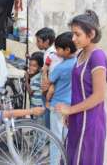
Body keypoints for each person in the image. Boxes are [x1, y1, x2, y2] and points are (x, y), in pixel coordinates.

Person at [55, 10, 107, 165]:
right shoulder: (80, 54)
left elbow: (99, 95)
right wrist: (71, 113)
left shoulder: (97, 57)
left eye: (77, 34)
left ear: (91, 34)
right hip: (78, 117)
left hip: (90, 121)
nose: (73, 39)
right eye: (73, 34)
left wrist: (70, 110)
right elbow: (79, 88)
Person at [46, 32, 77, 164]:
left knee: (55, 139)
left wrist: (44, 69)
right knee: (66, 138)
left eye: (58, 49)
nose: (56, 51)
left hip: (58, 105)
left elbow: (50, 80)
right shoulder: (77, 62)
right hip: (70, 106)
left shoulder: (61, 67)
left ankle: (54, 163)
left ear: (67, 50)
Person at [35, 27, 63, 128]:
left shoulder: (52, 54)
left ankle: (47, 135)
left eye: (38, 41)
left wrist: (48, 89)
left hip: (49, 90)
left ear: (46, 41)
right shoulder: (48, 52)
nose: (36, 43)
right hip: (48, 88)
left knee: (48, 113)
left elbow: (52, 73)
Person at [24, 52, 44, 123]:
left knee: (38, 124)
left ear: (39, 68)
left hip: (37, 106)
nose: (30, 67)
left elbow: (30, 92)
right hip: (35, 104)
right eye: (30, 65)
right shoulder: (37, 75)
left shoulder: (37, 79)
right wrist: (29, 57)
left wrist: (26, 80)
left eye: (34, 66)